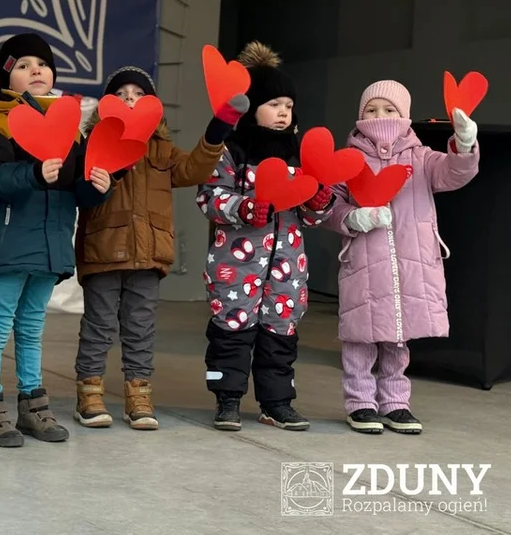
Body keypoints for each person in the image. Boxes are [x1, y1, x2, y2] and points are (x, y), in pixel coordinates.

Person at [72, 66, 249, 429]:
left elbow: (194, 169)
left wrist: (218, 129)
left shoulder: (162, 149)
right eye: (121, 94)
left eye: (139, 95)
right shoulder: (93, 143)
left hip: (149, 254)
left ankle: (138, 393)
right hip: (103, 250)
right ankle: (89, 391)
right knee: (99, 325)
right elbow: (81, 190)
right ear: (106, 105)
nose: (130, 99)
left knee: (141, 327)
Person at [0, 33, 112, 447]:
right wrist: (32, 173)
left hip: (51, 245)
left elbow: (77, 188)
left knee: (32, 328)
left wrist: (98, 187)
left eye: (43, 64)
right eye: (24, 64)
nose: (36, 70)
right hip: (11, 244)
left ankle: (32, 405)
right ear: (6, 75)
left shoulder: (70, 130)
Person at [195, 42, 335, 431]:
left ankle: (277, 402)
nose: (284, 112)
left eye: (289, 106)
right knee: (231, 332)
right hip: (236, 266)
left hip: (287, 268)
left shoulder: (299, 155)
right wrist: (243, 208)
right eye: (274, 104)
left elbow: (312, 216)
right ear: (252, 107)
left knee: (280, 335)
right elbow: (209, 197)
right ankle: (226, 399)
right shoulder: (232, 151)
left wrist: (318, 202)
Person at [326, 81, 479, 434]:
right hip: (364, 262)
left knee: (398, 336)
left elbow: (455, 173)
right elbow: (329, 204)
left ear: (405, 115)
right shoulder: (348, 160)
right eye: (371, 109)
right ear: (360, 115)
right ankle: (360, 403)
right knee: (360, 337)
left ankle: (395, 403)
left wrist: (464, 145)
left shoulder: (422, 157)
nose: (380, 116)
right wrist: (353, 217)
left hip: (411, 263)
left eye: (389, 109)